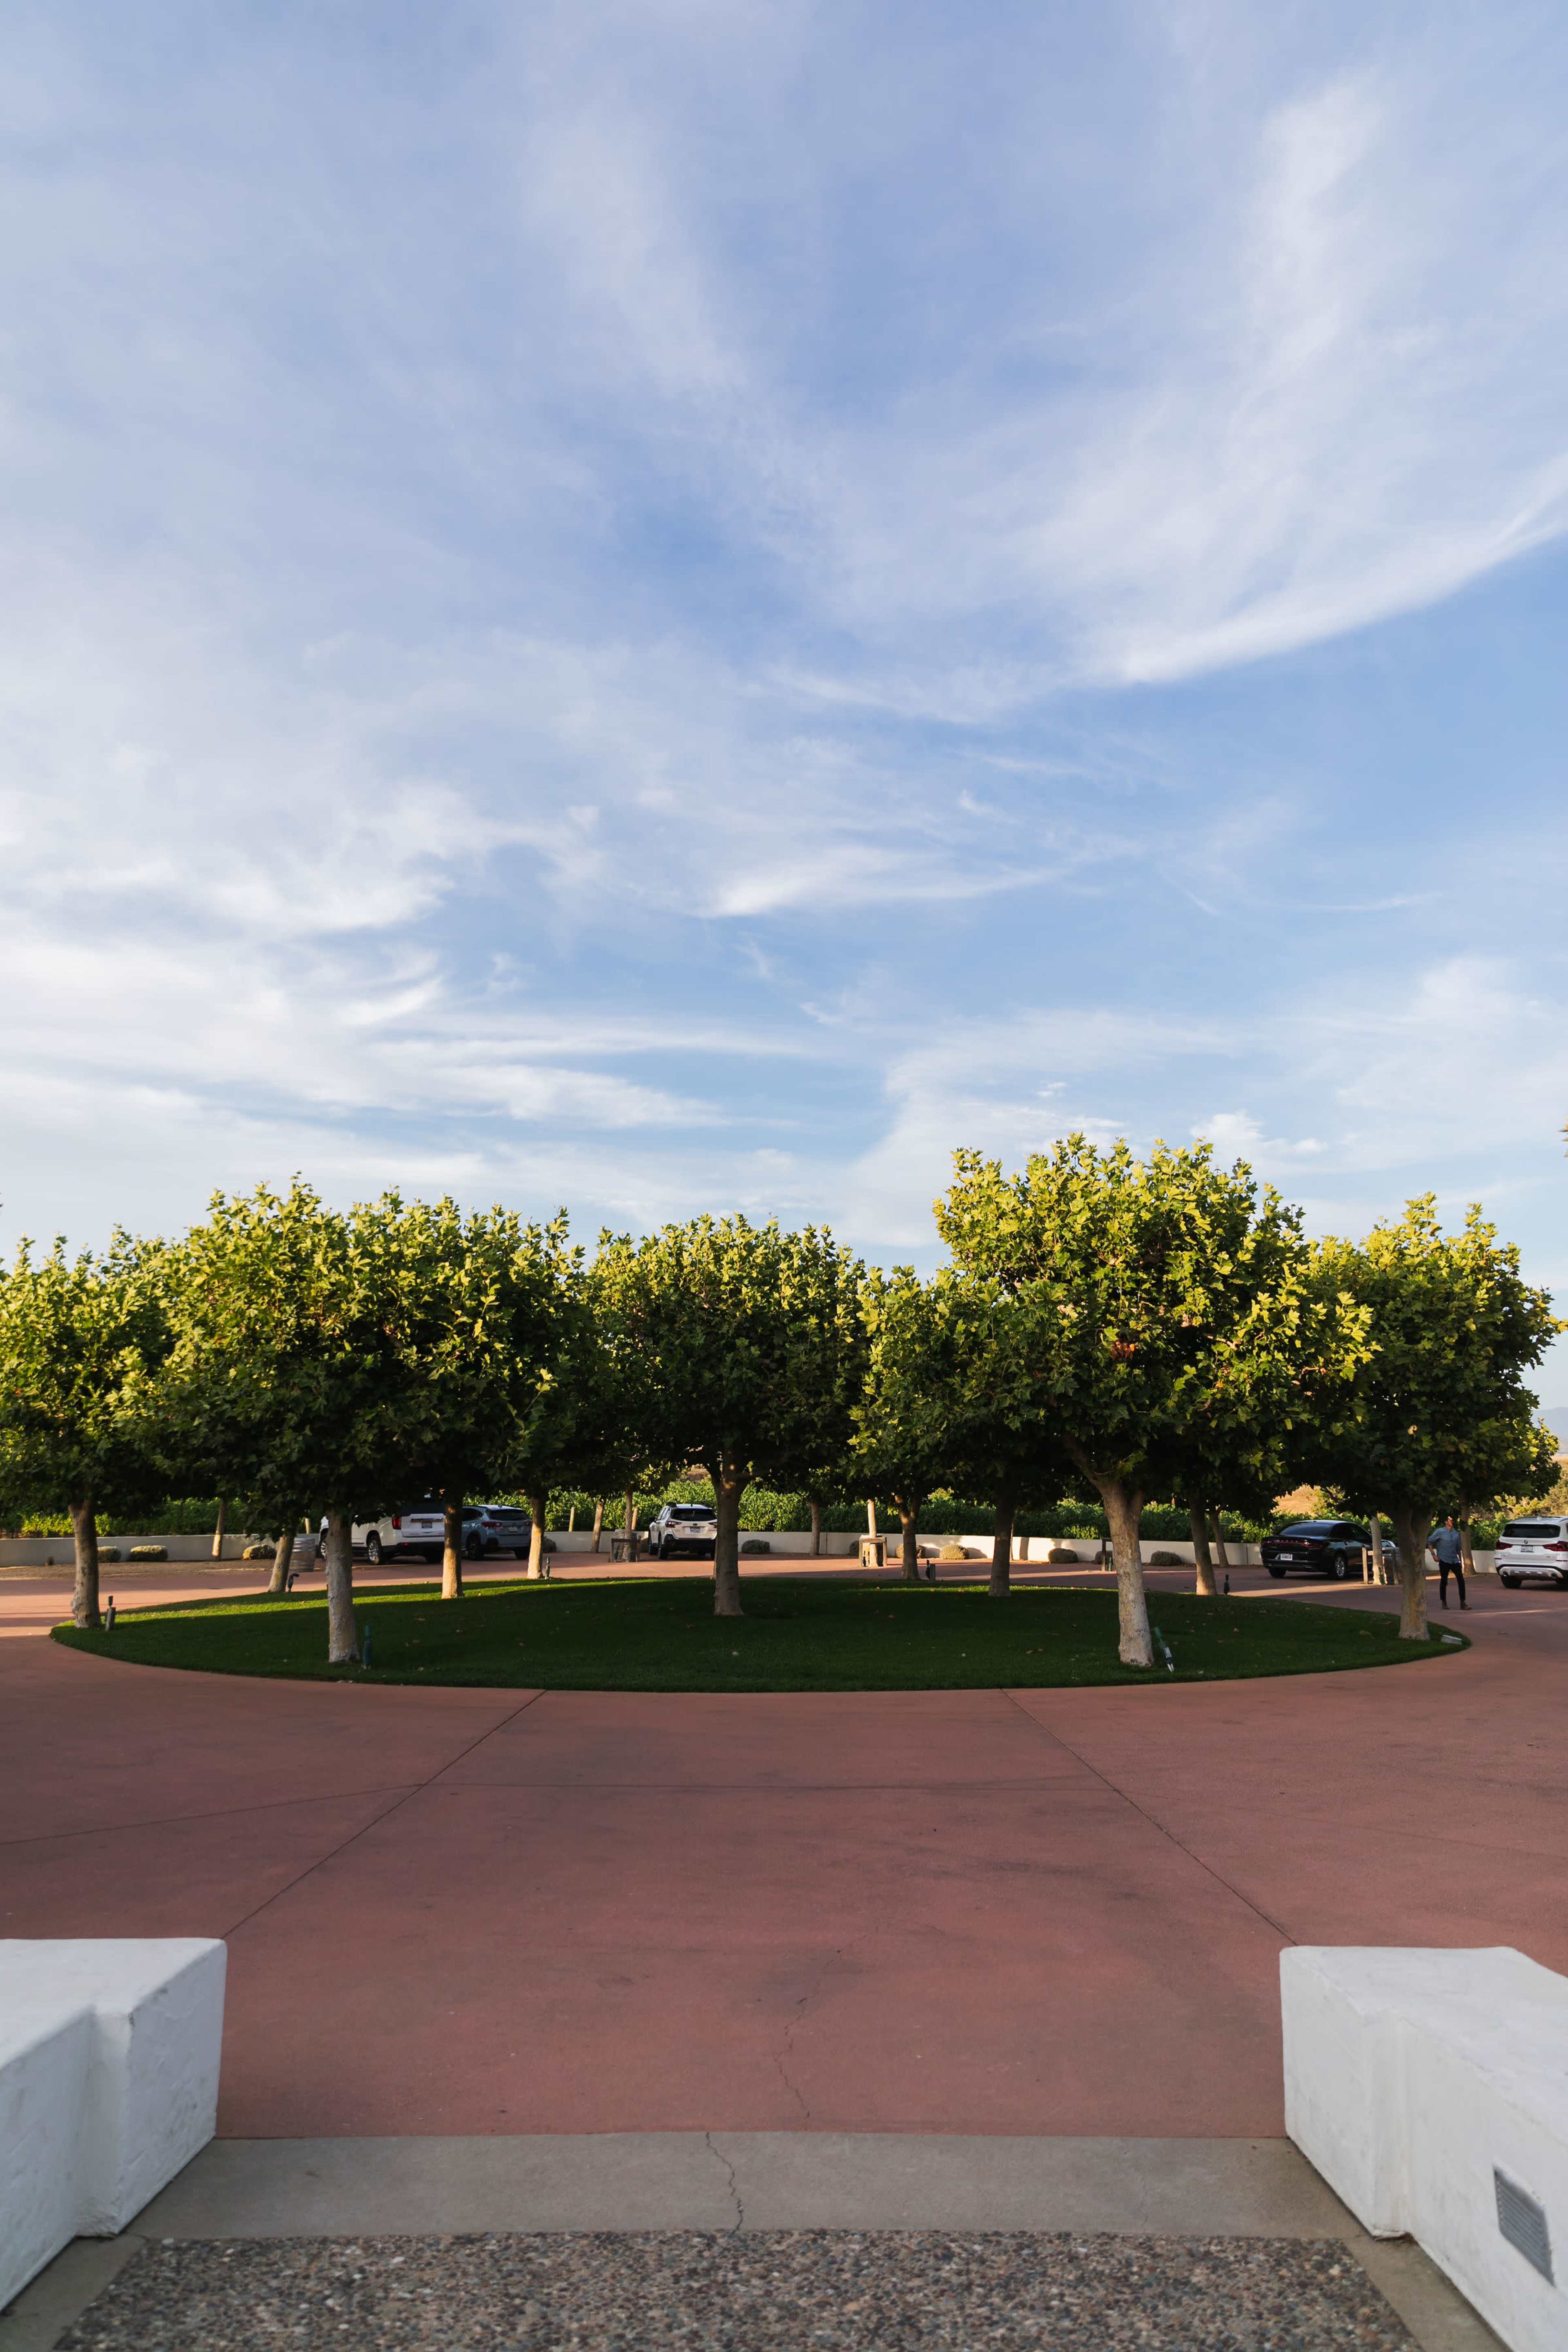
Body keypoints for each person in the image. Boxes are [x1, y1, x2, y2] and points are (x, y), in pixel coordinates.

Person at [1428, 1515, 1468, 1610]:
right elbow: (1429, 1542)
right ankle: (1444, 1602)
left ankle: (1463, 1602)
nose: (1453, 1522)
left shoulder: (1456, 1534)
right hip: (1444, 1560)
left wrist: (1461, 1561)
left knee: (1461, 1580)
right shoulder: (1440, 1532)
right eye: (1451, 1520)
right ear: (1446, 1522)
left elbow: (1459, 1549)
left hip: (1455, 1560)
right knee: (1444, 1581)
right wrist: (1434, 1555)